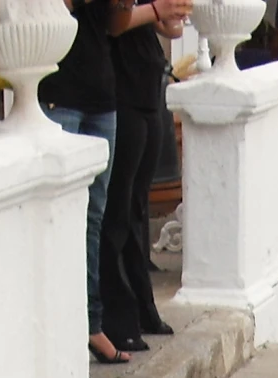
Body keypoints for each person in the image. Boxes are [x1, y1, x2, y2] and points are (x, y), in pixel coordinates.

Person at [40, 0, 127, 365]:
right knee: (56, 217)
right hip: (60, 94)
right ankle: (57, 328)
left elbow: (116, 26)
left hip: (101, 93)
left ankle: (91, 323)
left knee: (94, 216)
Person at [102, 0, 188, 352]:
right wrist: (157, 10)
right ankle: (118, 319)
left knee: (138, 208)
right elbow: (114, 22)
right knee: (118, 209)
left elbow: (169, 26)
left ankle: (143, 305)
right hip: (119, 87)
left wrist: (171, 16)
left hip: (147, 83)